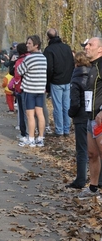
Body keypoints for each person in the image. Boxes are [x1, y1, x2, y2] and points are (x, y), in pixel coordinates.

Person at [78, 37, 102, 199]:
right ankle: (93, 188)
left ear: (100, 49)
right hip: (90, 116)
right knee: (92, 154)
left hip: (100, 118)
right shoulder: (92, 66)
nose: (86, 47)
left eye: (90, 45)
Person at [43, 28, 75, 137]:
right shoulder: (67, 48)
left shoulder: (49, 50)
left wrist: (47, 84)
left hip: (56, 81)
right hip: (68, 80)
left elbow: (49, 68)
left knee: (58, 107)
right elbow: (72, 63)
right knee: (67, 106)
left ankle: (59, 130)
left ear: (48, 37)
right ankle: (66, 129)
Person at [66, 51, 91, 189]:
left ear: (76, 63)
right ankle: (98, 179)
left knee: (82, 150)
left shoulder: (75, 79)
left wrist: (71, 113)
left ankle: (81, 179)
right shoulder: (94, 76)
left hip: (81, 117)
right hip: (93, 116)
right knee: (96, 151)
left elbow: (75, 102)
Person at [17, 35, 47, 147]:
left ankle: (31, 138)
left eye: (29, 43)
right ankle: (40, 137)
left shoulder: (29, 58)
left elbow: (20, 71)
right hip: (40, 89)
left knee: (30, 115)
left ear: (36, 45)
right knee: (40, 114)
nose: (27, 45)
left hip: (30, 89)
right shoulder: (43, 57)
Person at [13, 43, 30, 141]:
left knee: (23, 112)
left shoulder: (19, 61)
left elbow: (17, 76)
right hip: (33, 88)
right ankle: (33, 132)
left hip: (22, 89)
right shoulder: (31, 57)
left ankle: (25, 133)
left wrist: (17, 89)